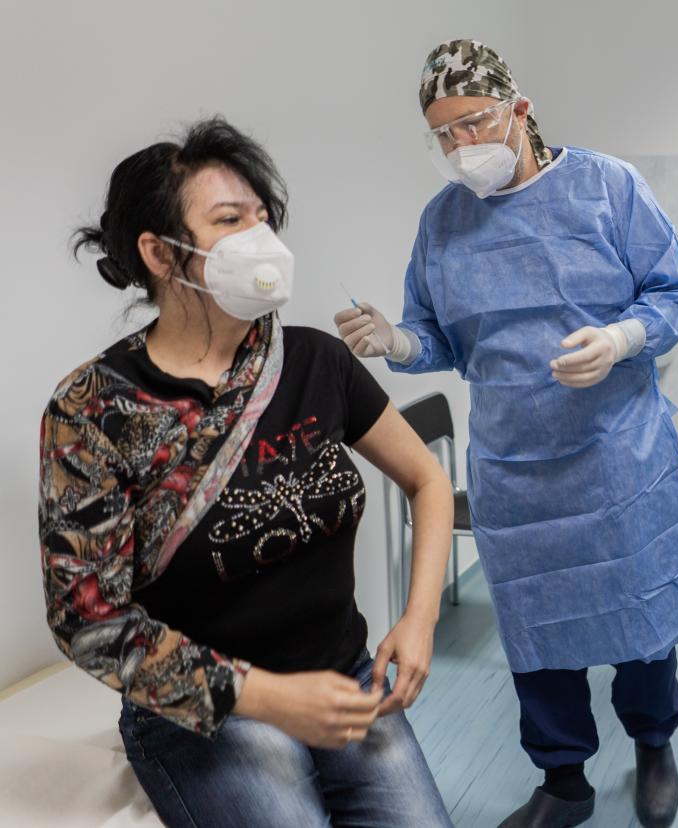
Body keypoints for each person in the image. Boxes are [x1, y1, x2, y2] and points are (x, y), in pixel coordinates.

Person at [334, 39, 678, 828]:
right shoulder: (443, 221)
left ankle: (652, 742)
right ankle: (563, 780)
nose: (462, 147)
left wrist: (620, 341)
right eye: (444, 135)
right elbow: (439, 335)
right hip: (514, 466)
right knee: (536, 630)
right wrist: (399, 344)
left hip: (617, 455)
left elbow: (674, 291)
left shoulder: (608, 188)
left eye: (474, 123)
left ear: (520, 109)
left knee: (639, 617)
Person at [40, 117, 455, 828]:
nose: (261, 239)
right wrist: (269, 698)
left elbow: (429, 479)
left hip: (343, 679)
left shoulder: (316, 361)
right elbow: (89, 621)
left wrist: (419, 621)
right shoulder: (93, 408)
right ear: (161, 255)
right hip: (202, 710)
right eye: (230, 220)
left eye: (263, 217)